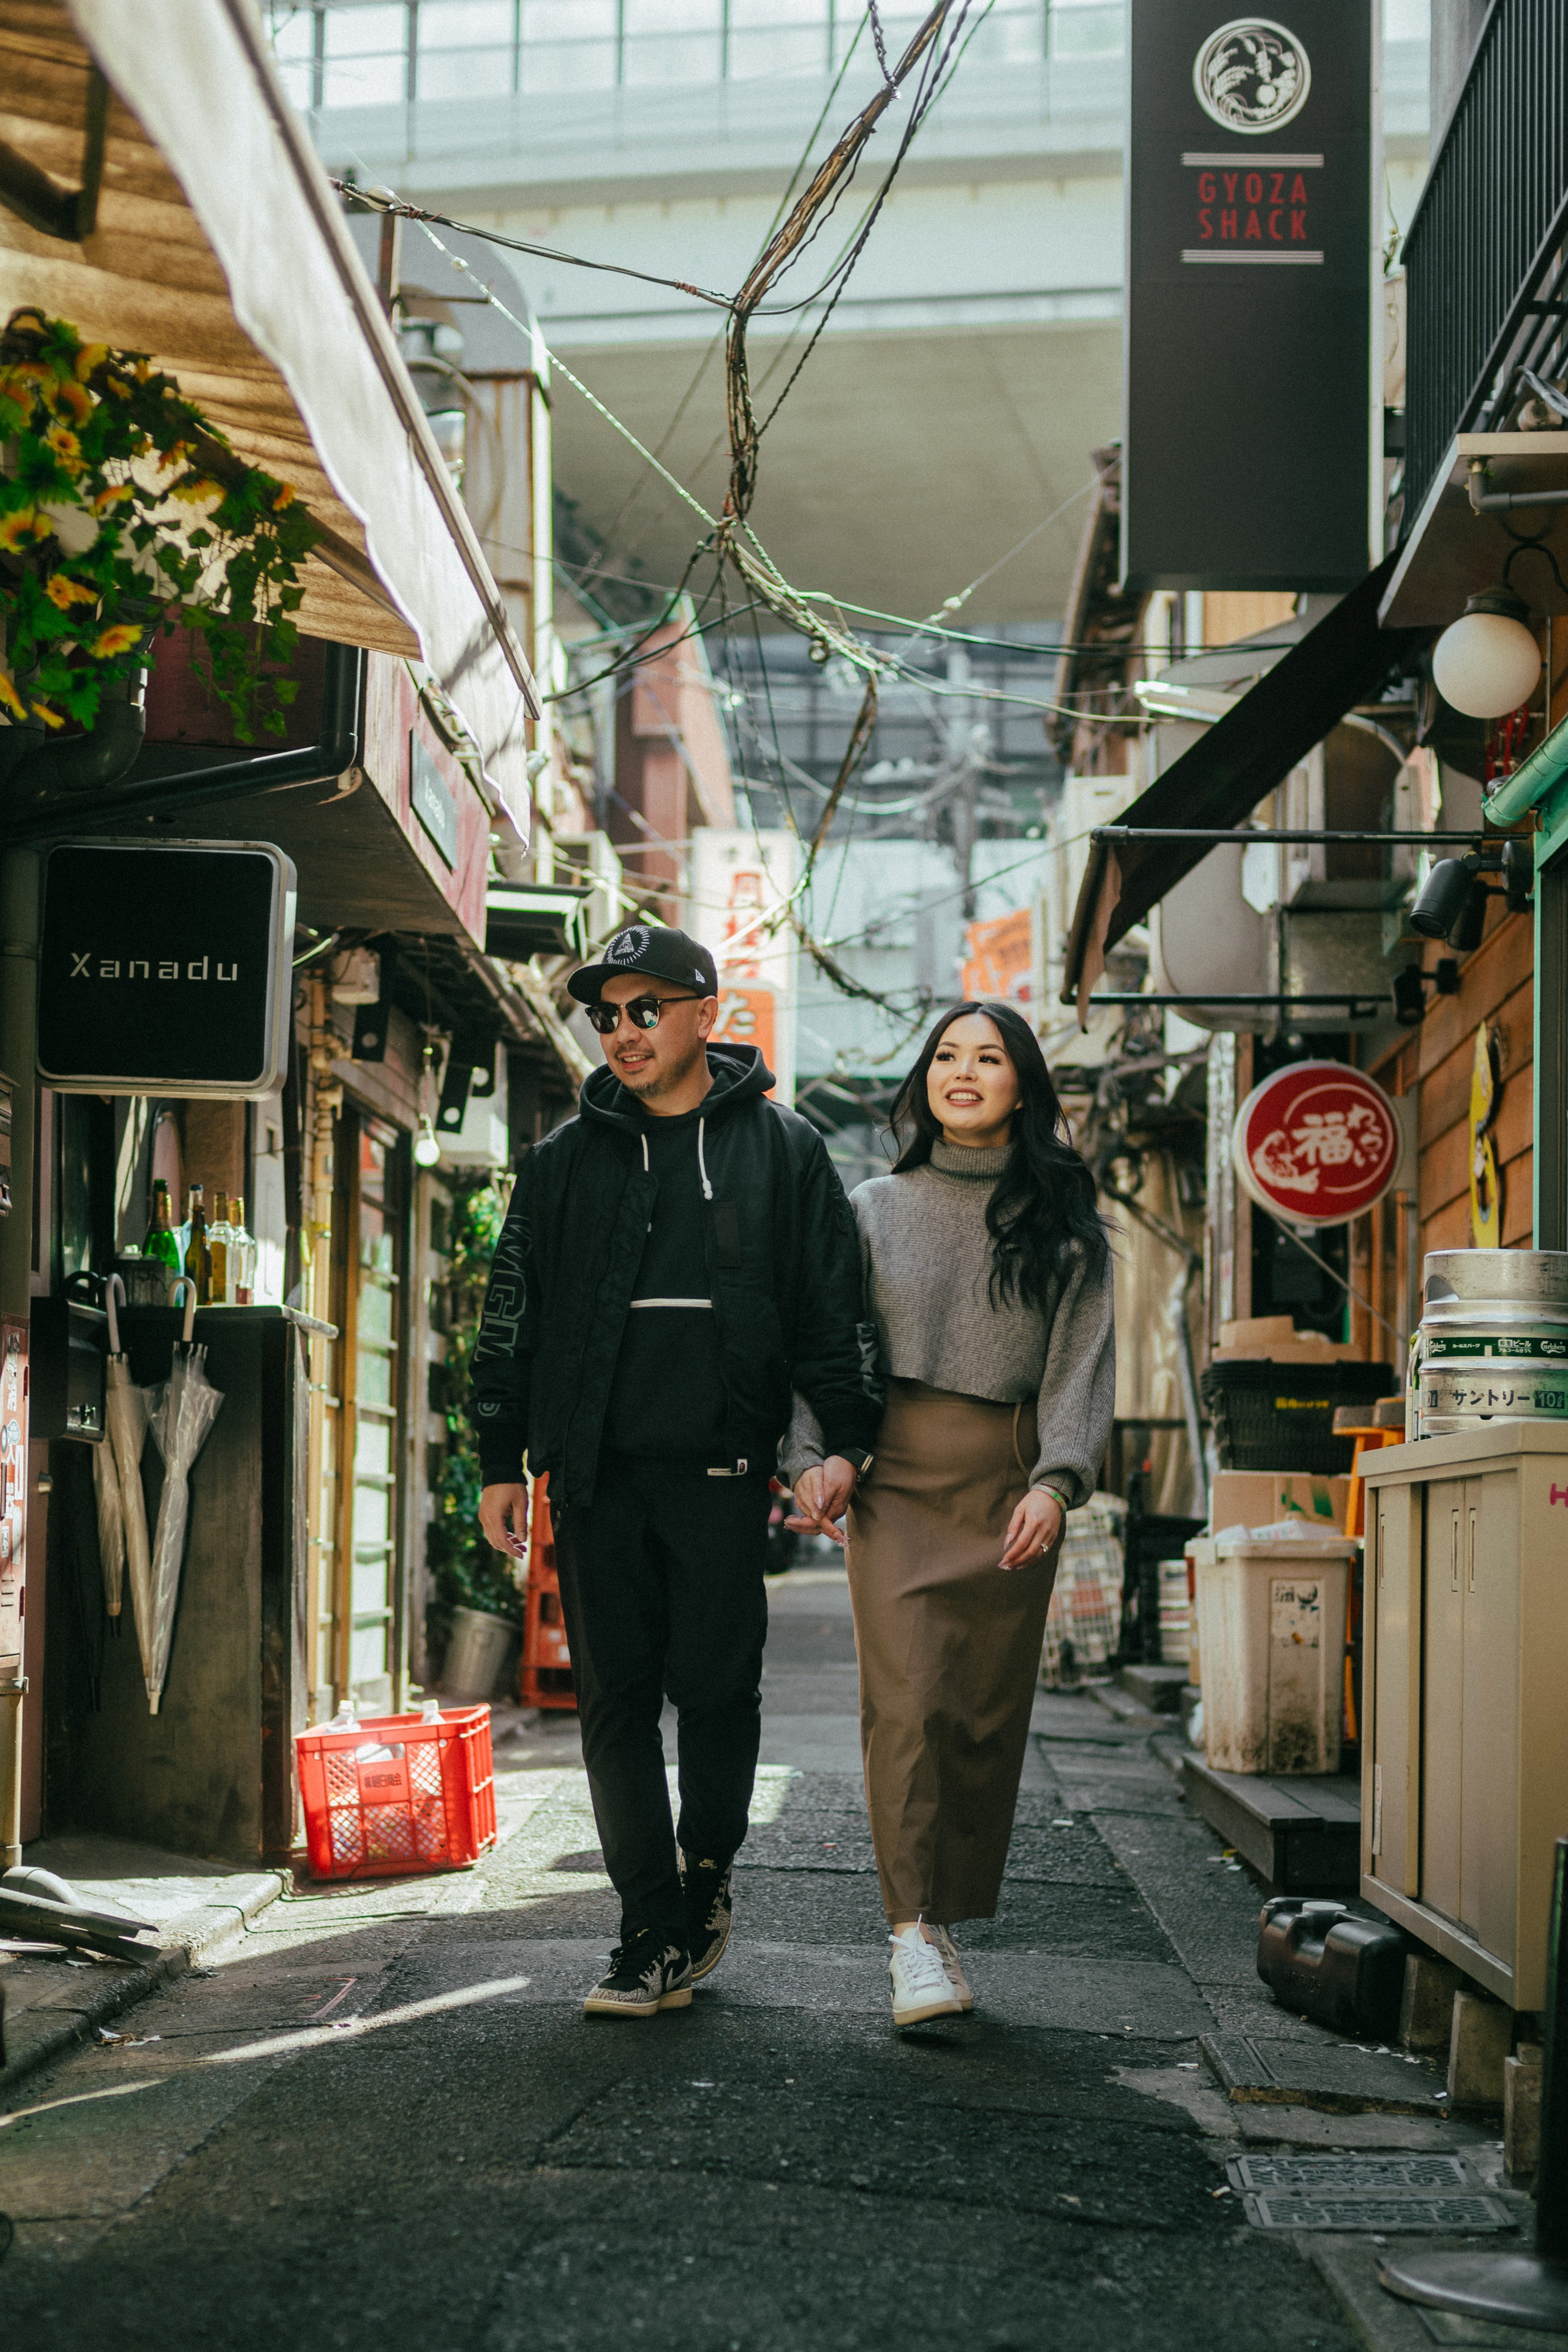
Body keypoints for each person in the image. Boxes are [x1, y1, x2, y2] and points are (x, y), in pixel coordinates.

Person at [470, 921, 879, 2019]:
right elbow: (514, 1313)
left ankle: (705, 1877)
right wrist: (498, 1457)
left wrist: (841, 1441)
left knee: (715, 1695)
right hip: (596, 1472)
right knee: (612, 1704)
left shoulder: (783, 1150)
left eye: (645, 1008)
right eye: (604, 1013)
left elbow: (828, 1309)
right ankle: (645, 1923)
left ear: (707, 1013)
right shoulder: (561, 1161)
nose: (622, 1031)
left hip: (722, 1470)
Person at [786, 1001, 1115, 2028]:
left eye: (989, 1057)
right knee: (910, 1701)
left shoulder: (1065, 1220)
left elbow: (1080, 1368)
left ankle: (941, 1919)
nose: (962, 1072)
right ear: (923, 1079)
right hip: (896, 1478)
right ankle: (908, 1933)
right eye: (946, 1056)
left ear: (1024, 1084)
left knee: (979, 1713)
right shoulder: (873, 1203)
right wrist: (813, 1455)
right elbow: (826, 1343)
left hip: (1010, 1485)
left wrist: (1058, 1483)